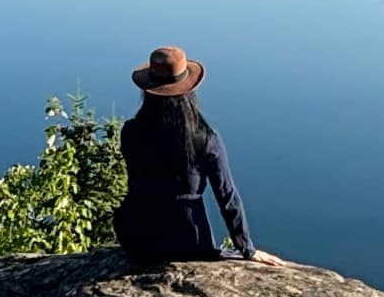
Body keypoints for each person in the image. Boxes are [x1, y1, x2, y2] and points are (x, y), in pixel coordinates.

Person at [115, 45, 280, 266]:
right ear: (188, 90)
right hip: (188, 243)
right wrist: (246, 248)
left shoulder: (131, 131)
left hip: (137, 239)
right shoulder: (205, 139)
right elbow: (227, 196)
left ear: (147, 89)